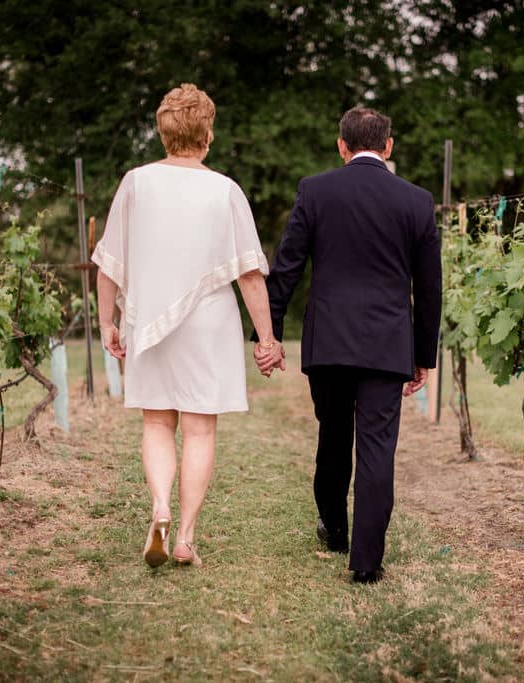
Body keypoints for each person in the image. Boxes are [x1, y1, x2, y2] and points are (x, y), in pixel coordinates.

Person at [94, 83, 284, 569]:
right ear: (208, 135)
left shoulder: (135, 182)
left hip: (147, 319)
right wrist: (266, 338)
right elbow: (249, 274)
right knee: (199, 430)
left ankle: (159, 507)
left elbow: (108, 265)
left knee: (157, 421)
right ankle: (184, 537)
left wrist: (106, 322)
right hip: (207, 322)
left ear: (163, 133)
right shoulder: (225, 190)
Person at [255, 106, 441, 584]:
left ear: (342, 146)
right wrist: (423, 356)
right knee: (377, 447)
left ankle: (335, 529)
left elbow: (287, 267)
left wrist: (268, 333)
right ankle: (365, 562)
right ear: (388, 146)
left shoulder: (315, 191)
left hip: (329, 343)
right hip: (386, 346)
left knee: (333, 434)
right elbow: (429, 286)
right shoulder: (417, 201)